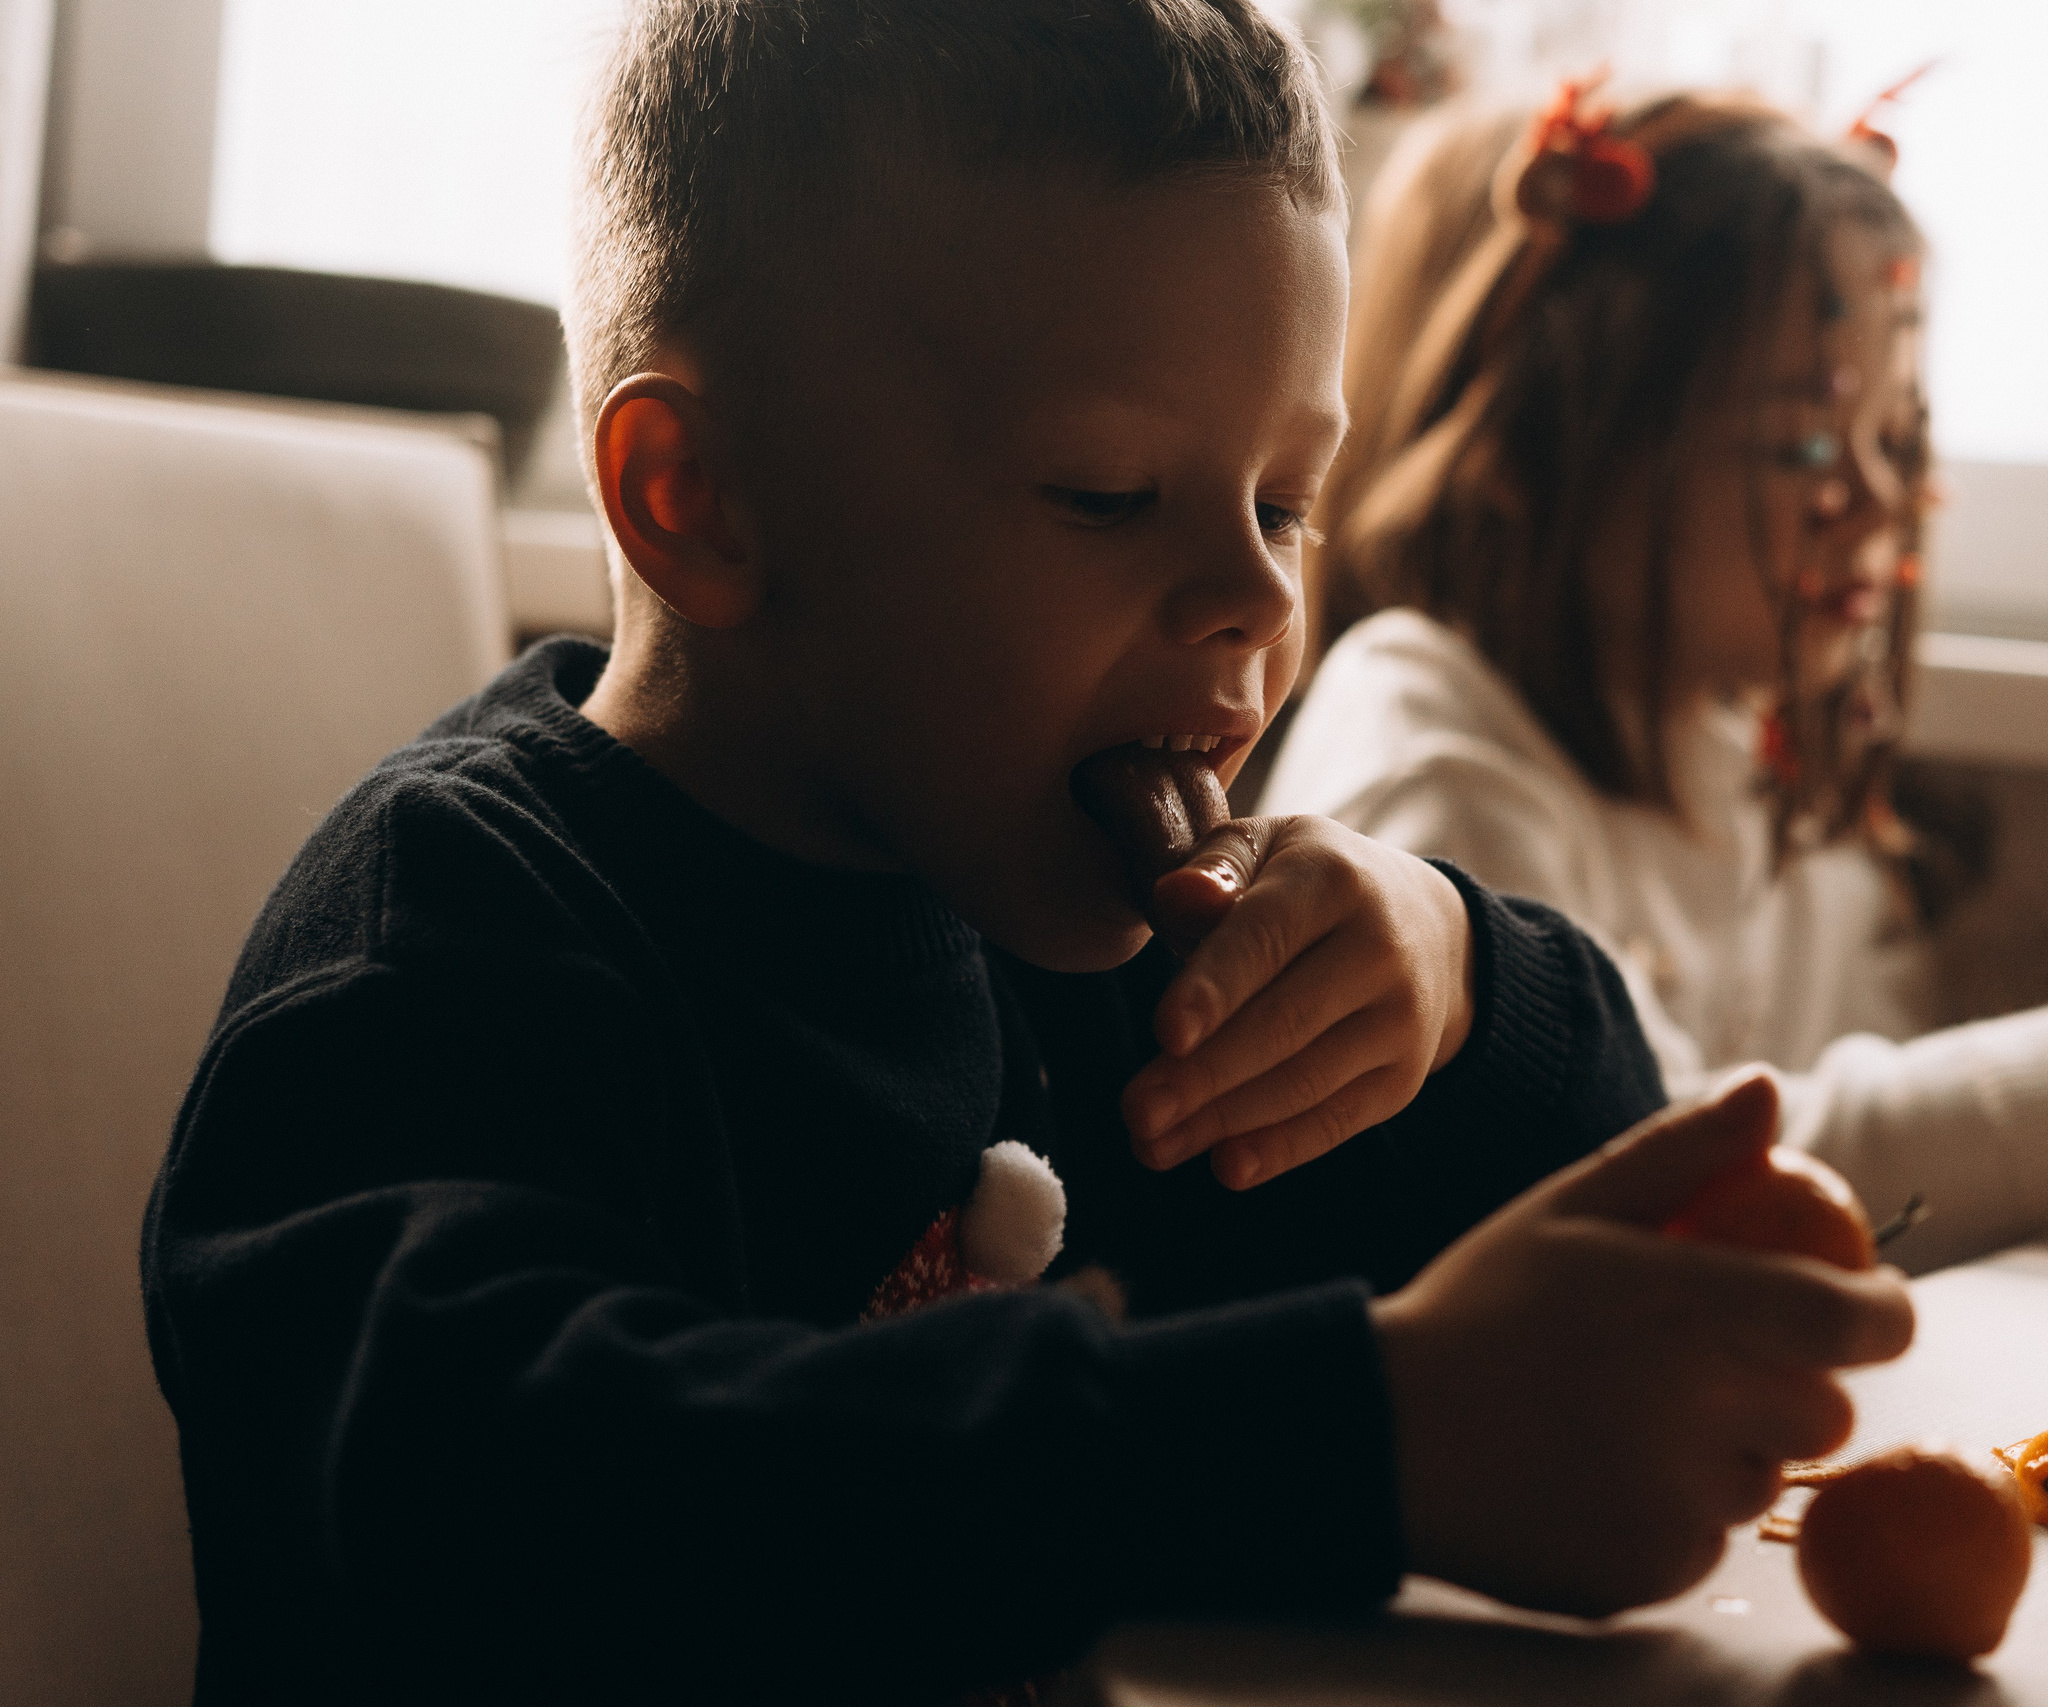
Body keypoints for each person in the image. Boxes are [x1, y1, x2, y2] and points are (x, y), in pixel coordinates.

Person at [138, 10, 1914, 1703]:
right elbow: (533, 1509)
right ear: (700, 500)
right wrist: (1361, 1438)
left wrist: (1453, 979)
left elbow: (1608, 1204)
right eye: (1108, 496)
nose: (1257, 599)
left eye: (1285, 501)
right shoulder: (442, 953)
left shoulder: (1097, 941)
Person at [1263, 89, 2048, 1276]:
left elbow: (1879, 1179)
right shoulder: (1432, 747)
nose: (1873, 500)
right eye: (1801, 443)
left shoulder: (1767, 767)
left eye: (1896, 439)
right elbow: (1675, 1174)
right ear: (1535, 458)